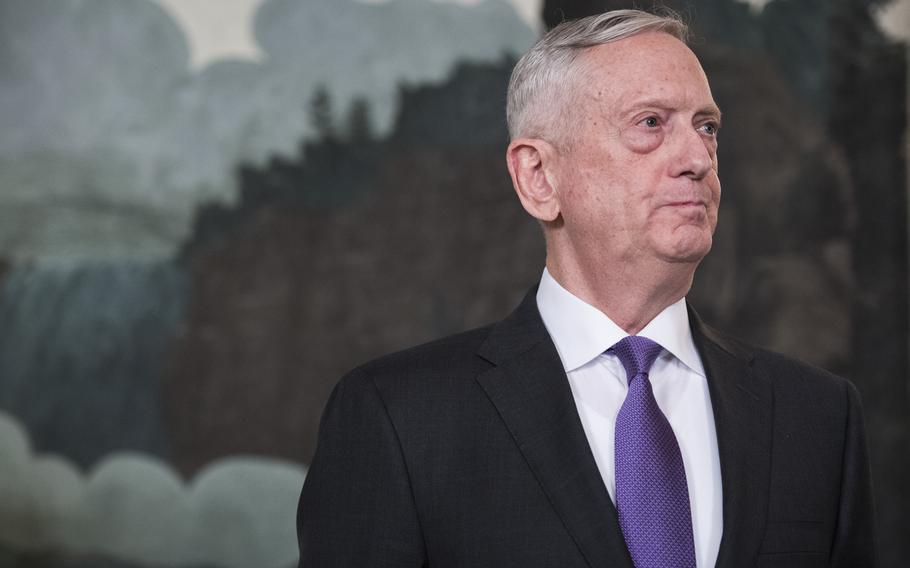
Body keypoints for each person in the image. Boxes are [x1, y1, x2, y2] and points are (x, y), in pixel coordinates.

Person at [297, 9, 876, 567]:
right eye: (651, 123)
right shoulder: (398, 417)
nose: (697, 158)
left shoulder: (819, 415)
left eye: (707, 128)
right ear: (538, 177)